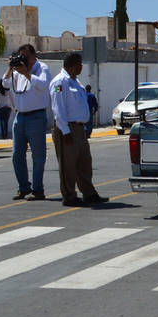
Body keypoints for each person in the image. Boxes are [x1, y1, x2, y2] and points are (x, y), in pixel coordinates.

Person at [49, 53, 108, 208]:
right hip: (67, 128)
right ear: (72, 65)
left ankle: (89, 193)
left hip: (80, 128)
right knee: (68, 165)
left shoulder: (76, 82)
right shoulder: (60, 82)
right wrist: (65, 131)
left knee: (84, 162)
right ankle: (69, 195)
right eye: (80, 64)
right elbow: (58, 109)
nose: (82, 67)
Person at [2, 43, 51, 200]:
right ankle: (23, 187)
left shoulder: (42, 68)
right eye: (20, 55)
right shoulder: (17, 71)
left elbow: (44, 85)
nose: (23, 59)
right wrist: (11, 67)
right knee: (17, 155)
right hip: (20, 116)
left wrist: (27, 73)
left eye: (26, 56)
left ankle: (38, 190)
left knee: (38, 155)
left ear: (33, 55)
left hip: (36, 116)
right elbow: (5, 84)